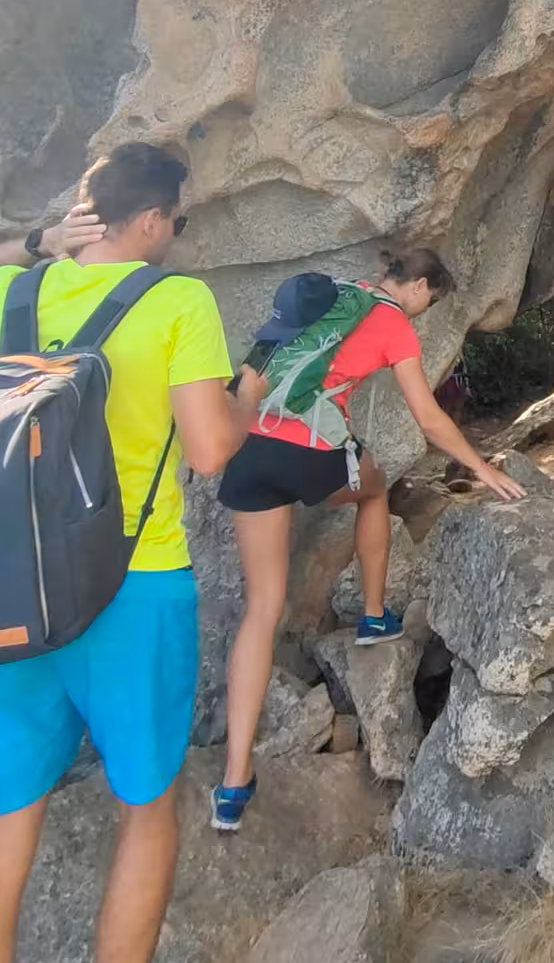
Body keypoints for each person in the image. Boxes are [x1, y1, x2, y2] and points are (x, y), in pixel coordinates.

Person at [0, 142, 266, 963]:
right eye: (178, 221)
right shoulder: (178, 301)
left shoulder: (17, 296)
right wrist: (248, 391)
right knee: (146, 814)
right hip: (134, 586)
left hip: (12, 595)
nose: (177, 236)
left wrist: (45, 239)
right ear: (154, 219)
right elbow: (209, 452)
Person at [211, 247, 525, 831]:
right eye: (430, 301)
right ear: (419, 286)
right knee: (375, 487)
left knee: (261, 609)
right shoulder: (391, 322)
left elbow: (264, 363)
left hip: (251, 448)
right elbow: (428, 417)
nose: (424, 312)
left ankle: (232, 782)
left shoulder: (332, 293)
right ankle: (375, 616)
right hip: (310, 453)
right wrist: (482, 468)